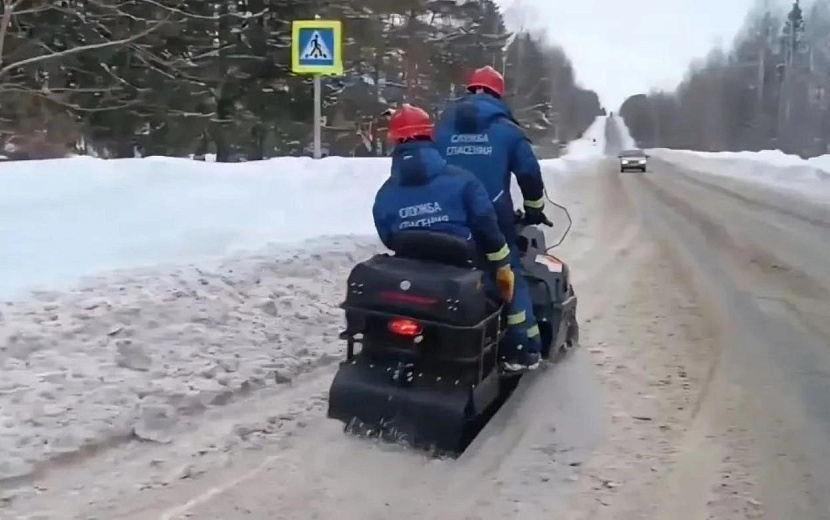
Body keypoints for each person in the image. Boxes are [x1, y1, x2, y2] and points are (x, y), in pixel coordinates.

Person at [373, 104, 538, 372]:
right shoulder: (464, 182)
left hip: (413, 278)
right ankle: (518, 351)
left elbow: (388, 237)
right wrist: (502, 263)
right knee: (510, 283)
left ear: (394, 141)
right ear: (430, 135)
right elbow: (487, 226)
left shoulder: (385, 194)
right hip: (464, 272)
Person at [433, 65, 545, 371]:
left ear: (470, 90)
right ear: (498, 95)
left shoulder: (441, 128)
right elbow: (529, 175)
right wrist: (534, 208)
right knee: (509, 273)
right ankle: (522, 348)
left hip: (444, 215)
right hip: (492, 221)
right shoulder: (508, 131)